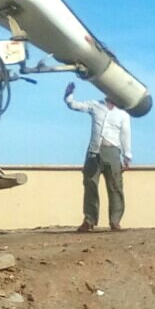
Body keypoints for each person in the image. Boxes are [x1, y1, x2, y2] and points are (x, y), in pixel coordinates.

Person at [63, 81, 132, 232]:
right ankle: (89, 220)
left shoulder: (123, 113)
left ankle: (115, 221)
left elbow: (125, 134)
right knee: (90, 185)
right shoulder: (95, 105)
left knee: (115, 186)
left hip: (113, 151)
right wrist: (69, 95)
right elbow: (75, 105)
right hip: (94, 152)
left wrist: (127, 155)